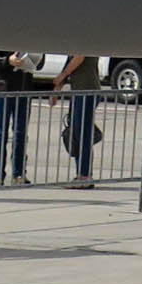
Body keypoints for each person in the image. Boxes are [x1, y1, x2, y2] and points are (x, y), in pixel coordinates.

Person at [0, 53, 38, 185]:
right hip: (3, 89)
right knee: (0, 133)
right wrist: (7, 60)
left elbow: (39, 64)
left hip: (24, 90)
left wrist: (37, 59)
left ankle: (19, 173)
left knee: (20, 133)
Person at [56, 56, 100, 189]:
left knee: (83, 134)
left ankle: (84, 175)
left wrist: (63, 75)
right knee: (77, 134)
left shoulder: (83, 44)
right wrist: (57, 89)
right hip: (79, 91)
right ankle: (82, 173)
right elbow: (69, 61)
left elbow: (78, 57)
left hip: (87, 91)